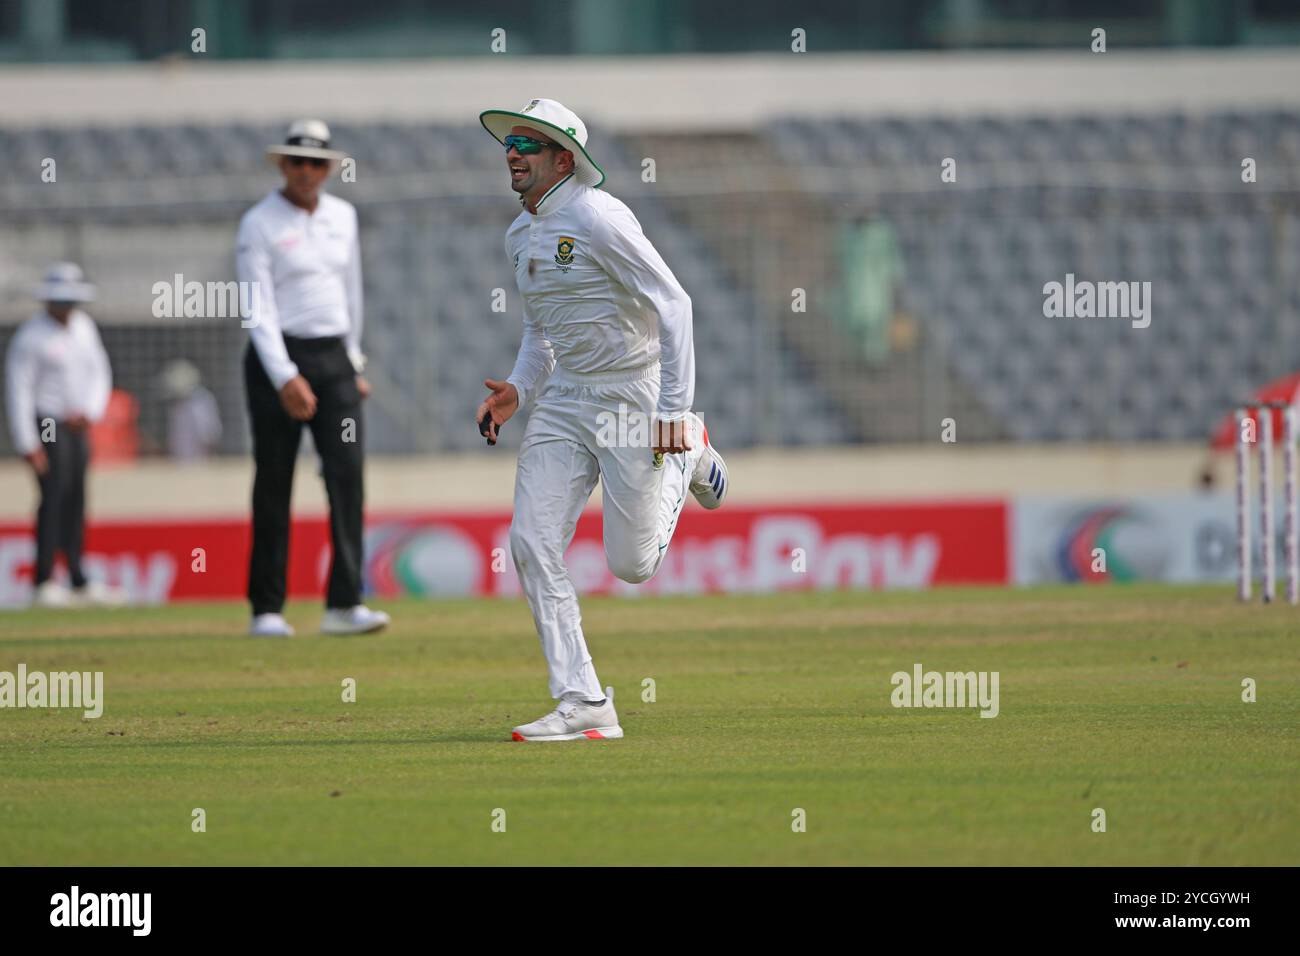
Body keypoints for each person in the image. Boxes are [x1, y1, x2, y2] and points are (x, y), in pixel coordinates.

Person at [477, 98, 729, 741]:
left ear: (565, 159)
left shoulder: (599, 216)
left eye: (529, 144)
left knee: (632, 566)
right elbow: (540, 330)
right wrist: (519, 388)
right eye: (511, 142)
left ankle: (692, 449)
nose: (514, 152)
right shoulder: (517, 234)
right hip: (565, 399)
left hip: (631, 396)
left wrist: (674, 411)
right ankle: (584, 699)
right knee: (530, 543)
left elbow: (675, 305)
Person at [236, 119, 389, 637]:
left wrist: (353, 361)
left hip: (334, 356)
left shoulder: (343, 217)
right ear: (283, 165)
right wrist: (284, 375)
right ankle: (267, 609)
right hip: (279, 357)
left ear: (328, 169)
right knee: (275, 479)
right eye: (298, 162)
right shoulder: (258, 222)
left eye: (317, 163)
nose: (307, 172)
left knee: (347, 476)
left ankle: (344, 602)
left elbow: (351, 294)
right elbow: (257, 308)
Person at [5, 262, 126, 608]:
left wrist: (91, 411)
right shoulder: (31, 337)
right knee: (53, 492)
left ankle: (77, 575)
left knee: (76, 495)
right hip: (47, 421)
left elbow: (99, 372)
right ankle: (43, 578)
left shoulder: (84, 328)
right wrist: (28, 442)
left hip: (77, 424)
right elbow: (19, 391)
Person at [160, 359, 222, 462]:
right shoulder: (177, 403)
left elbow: (209, 435)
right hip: (179, 461)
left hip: (198, 461)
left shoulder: (201, 401)